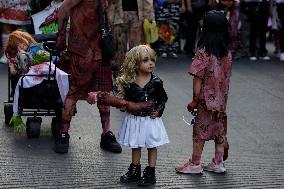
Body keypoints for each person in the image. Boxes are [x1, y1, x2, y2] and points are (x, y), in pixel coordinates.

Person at [54, 0, 154, 154]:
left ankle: (106, 133)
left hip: (100, 49)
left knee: (103, 92)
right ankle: (63, 133)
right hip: (82, 50)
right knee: (74, 92)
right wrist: (61, 36)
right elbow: (63, 10)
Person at [87, 45, 169, 187]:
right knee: (136, 145)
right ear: (135, 64)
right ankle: (134, 170)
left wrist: (159, 110)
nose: (151, 63)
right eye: (145, 60)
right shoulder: (129, 82)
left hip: (150, 119)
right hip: (135, 119)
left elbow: (163, 99)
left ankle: (150, 173)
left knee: (152, 146)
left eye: (152, 60)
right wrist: (123, 104)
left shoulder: (157, 82)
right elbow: (122, 100)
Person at [175, 11, 232, 174]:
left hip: (205, 101)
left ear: (205, 31)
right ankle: (218, 162)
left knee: (200, 132)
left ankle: (195, 164)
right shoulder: (227, 53)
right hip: (221, 102)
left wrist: (194, 100)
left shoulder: (203, 52)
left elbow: (198, 79)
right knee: (219, 130)